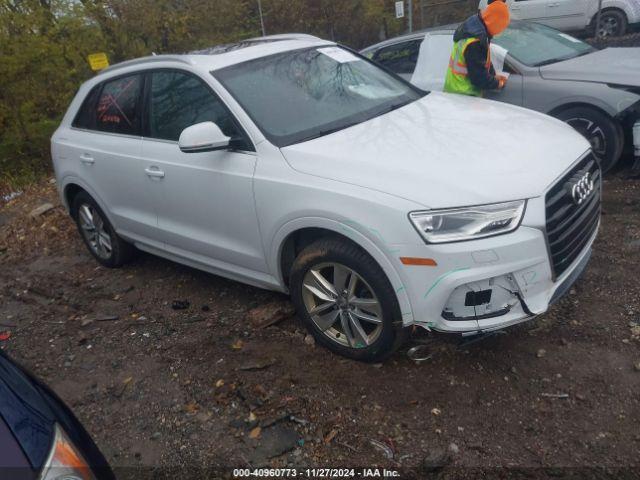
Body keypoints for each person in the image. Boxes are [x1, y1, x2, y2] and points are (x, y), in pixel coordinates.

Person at [444, 0, 510, 97]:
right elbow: (478, 78)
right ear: (495, 22)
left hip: (457, 91)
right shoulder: (475, 42)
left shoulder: (477, 29)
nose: (498, 32)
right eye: (500, 27)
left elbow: (482, 61)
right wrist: (498, 83)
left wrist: (493, 76)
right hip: (463, 94)